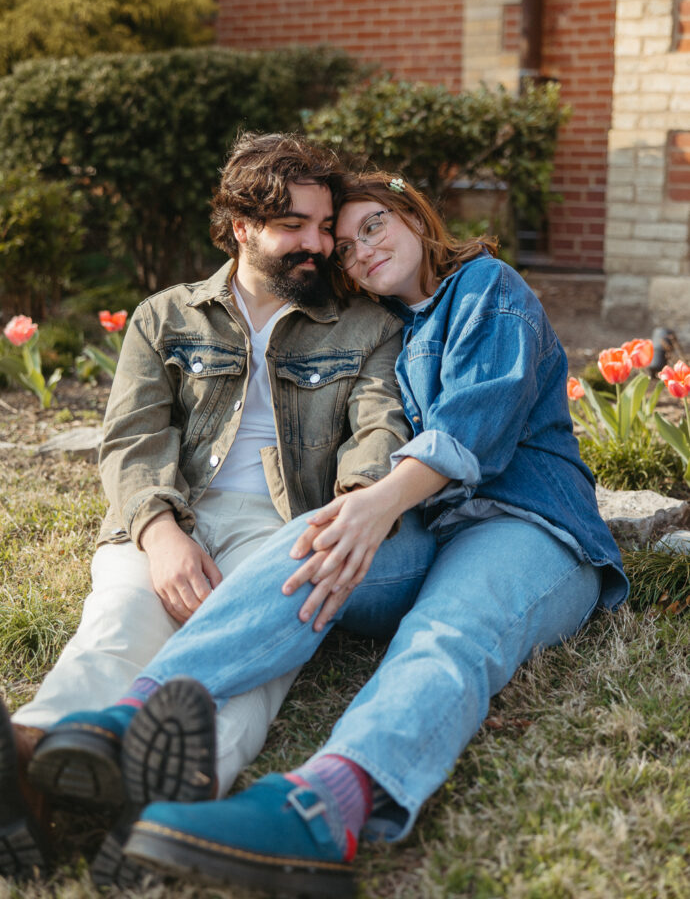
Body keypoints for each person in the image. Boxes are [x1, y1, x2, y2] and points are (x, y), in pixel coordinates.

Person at [16, 171, 628, 898]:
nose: (359, 251)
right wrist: (359, 513)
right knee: (311, 545)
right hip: (427, 528)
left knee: (445, 632)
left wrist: (373, 504)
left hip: (526, 523)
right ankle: (129, 715)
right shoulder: (392, 327)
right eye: (344, 247)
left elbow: (476, 424)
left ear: (414, 217)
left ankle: (322, 806)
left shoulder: (489, 286)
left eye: (373, 226)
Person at [0, 141, 438, 886]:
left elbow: (378, 430)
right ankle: (29, 760)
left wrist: (348, 519)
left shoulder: (364, 326)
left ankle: (171, 798)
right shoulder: (165, 316)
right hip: (170, 515)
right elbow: (133, 439)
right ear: (240, 223)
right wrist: (160, 532)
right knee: (119, 622)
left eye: (325, 225)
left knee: (252, 662)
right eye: (295, 224)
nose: (319, 244)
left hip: (283, 527)